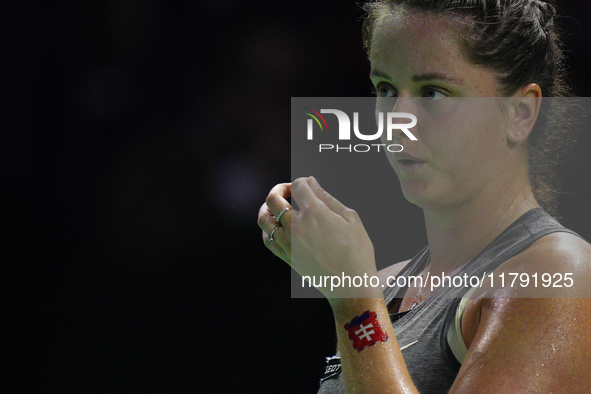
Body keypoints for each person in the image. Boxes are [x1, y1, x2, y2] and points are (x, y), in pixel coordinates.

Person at [258, 0, 591, 392]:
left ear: (519, 112)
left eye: (433, 92)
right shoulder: (384, 286)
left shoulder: (560, 275)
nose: (398, 122)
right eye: (385, 88)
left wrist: (353, 297)